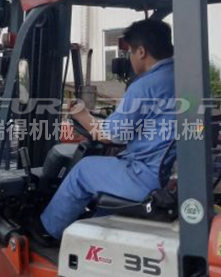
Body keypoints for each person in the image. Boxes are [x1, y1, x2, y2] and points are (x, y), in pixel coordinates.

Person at [40, 18, 175, 240]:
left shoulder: (145, 86)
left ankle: (48, 231)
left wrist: (82, 115)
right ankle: (93, 235)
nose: (129, 58)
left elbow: (109, 135)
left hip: (147, 177)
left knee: (83, 170)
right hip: (172, 174)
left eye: (130, 52)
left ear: (141, 52)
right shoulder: (185, 78)